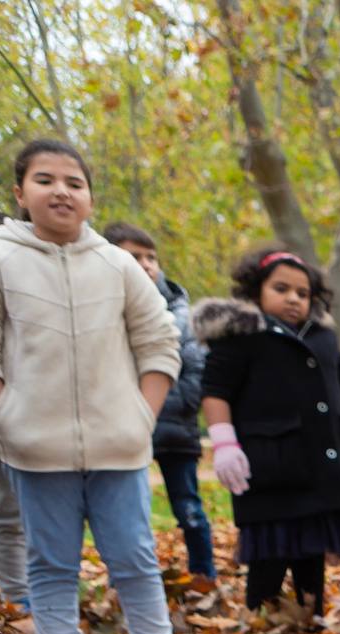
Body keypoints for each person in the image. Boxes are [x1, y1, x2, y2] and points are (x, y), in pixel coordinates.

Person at [0, 139, 179, 634]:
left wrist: (141, 415)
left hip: (119, 445)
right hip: (35, 448)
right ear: (19, 193)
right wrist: (3, 410)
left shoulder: (118, 264)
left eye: (75, 183)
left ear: (91, 198)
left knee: (134, 555)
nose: (61, 191)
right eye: (46, 180)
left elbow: (159, 341)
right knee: (51, 562)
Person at [196, 247, 340, 613]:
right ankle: (260, 614)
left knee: (313, 548)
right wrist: (224, 444)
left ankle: (309, 612)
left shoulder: (322, 337)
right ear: (256, 291)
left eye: (302, 293)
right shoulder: (242, 336)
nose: (293, 299)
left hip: (320, 469)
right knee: (270, 548)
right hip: (271, 465)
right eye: (281, 289)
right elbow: (215, 391)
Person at [105, 222, 215, 583]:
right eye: (134, 256)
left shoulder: (182, 315)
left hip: (173, 428)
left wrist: (161, 404)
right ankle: (128, 579)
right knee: (124, 512)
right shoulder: (100, 309)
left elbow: (196, 370)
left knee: (189, 509)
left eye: (151, 256)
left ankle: (204, 574)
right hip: (116, 429)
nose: (146, 264)